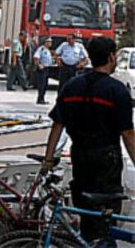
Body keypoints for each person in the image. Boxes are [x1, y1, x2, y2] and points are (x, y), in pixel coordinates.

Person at [42, 37, 135, 243]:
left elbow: (57, 125)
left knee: (86, 215)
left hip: (80, 158)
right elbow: (128, 134)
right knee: (106, 216)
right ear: (111, 57)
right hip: (106, 161)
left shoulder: (71, 87)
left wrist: (48, 160)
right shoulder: (116, 90)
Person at [33, 36, 53, 104]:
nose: (50, 43)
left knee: (45, 85)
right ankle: (40, 99)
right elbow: (36, 57)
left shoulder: (47, 50)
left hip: (47, 69)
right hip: (42, 69)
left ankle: (42, 98)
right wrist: (39, 65)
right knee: (42, 85)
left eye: (50, 42)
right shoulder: (41, 49)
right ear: (45, 42)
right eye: (49, 42)